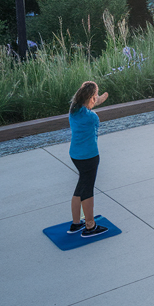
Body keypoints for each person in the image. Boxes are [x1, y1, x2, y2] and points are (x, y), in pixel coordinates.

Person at [68, 81, 110, 237]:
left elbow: (87, 104)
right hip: (89, 157)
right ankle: (90, 226)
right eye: (95, 96)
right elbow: (91, 110)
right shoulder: (92, 117)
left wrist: (96, 100)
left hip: (75, 155)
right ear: (92, 97)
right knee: (88, 190)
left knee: (81, 186)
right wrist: (96, 101)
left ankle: (76, 223)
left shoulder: (73, 110)